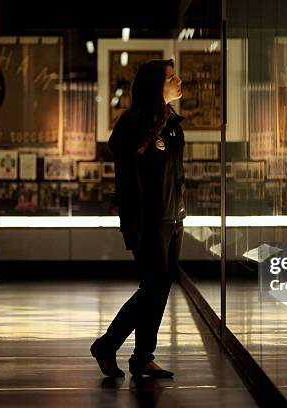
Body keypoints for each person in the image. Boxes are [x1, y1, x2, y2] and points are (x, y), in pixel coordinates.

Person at [90, 59, 184, 379]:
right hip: (149, 222)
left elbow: (175, 175)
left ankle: (143, 356)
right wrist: (133, 224)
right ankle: (109, 344)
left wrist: (180, 213)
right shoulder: (134, 124)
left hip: (172, 220)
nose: (178, 81)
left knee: (158, 289)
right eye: (171, 77)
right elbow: (127, 177)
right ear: (155, 86)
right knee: (152, 288)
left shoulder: (172, 124)